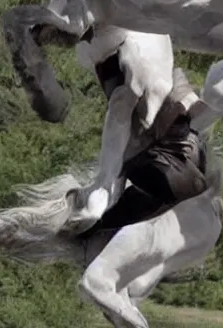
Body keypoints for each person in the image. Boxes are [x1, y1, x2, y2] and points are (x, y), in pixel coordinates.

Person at [71, 66, 211, 237]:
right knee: (190, 190)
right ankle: (98, 228)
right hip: (145, 156)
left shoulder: (172, 100)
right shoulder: (160, 99)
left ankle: (99, 227)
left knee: (187, 189)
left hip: (149, 153)